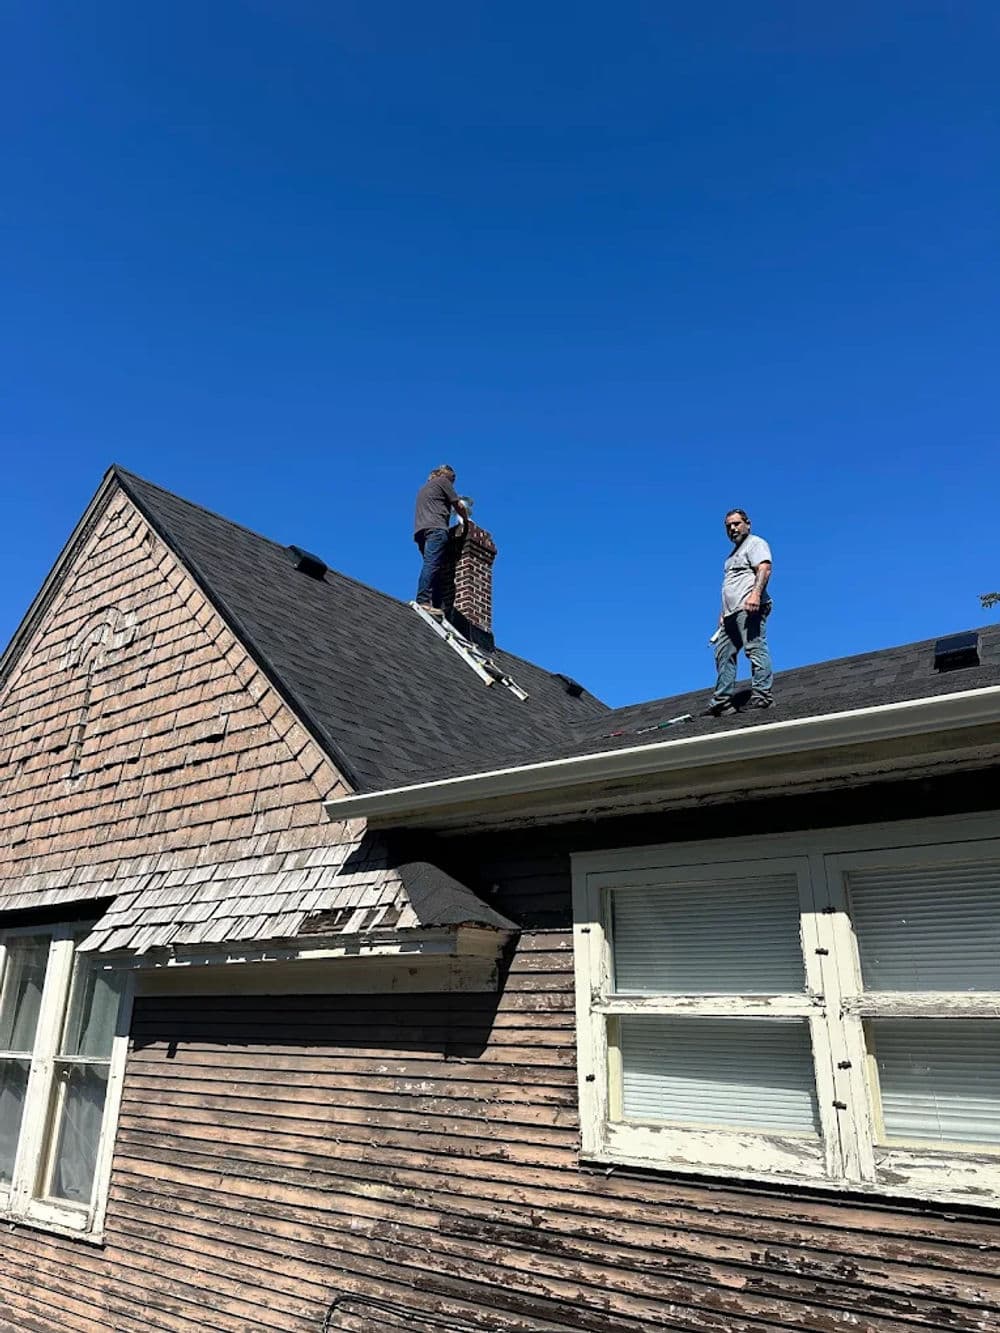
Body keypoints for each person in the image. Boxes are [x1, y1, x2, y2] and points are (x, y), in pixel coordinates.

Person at [705, 508, 773, 715]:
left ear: (747, 523)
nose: (732, 528)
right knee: (723, 654)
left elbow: (764, 568)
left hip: (748, 607)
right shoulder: (730, 557)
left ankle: (762, 696)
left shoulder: (755, 543)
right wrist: (722, 613)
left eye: (736, 524)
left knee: (754, 648)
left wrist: (755, 596)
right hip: (730, 614)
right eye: (728, 526)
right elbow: (731, 586)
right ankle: (722, 701)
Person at [413, 465, 469, 616]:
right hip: (436, 529)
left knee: (435, 567)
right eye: (453, 479)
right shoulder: (443, 481)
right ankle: (423, 601)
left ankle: (437, 605)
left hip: (421, 531)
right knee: (432, 564)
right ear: (447, 475)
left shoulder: (424, 489)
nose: (452, 483)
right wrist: (465, 518)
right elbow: (457, 504)